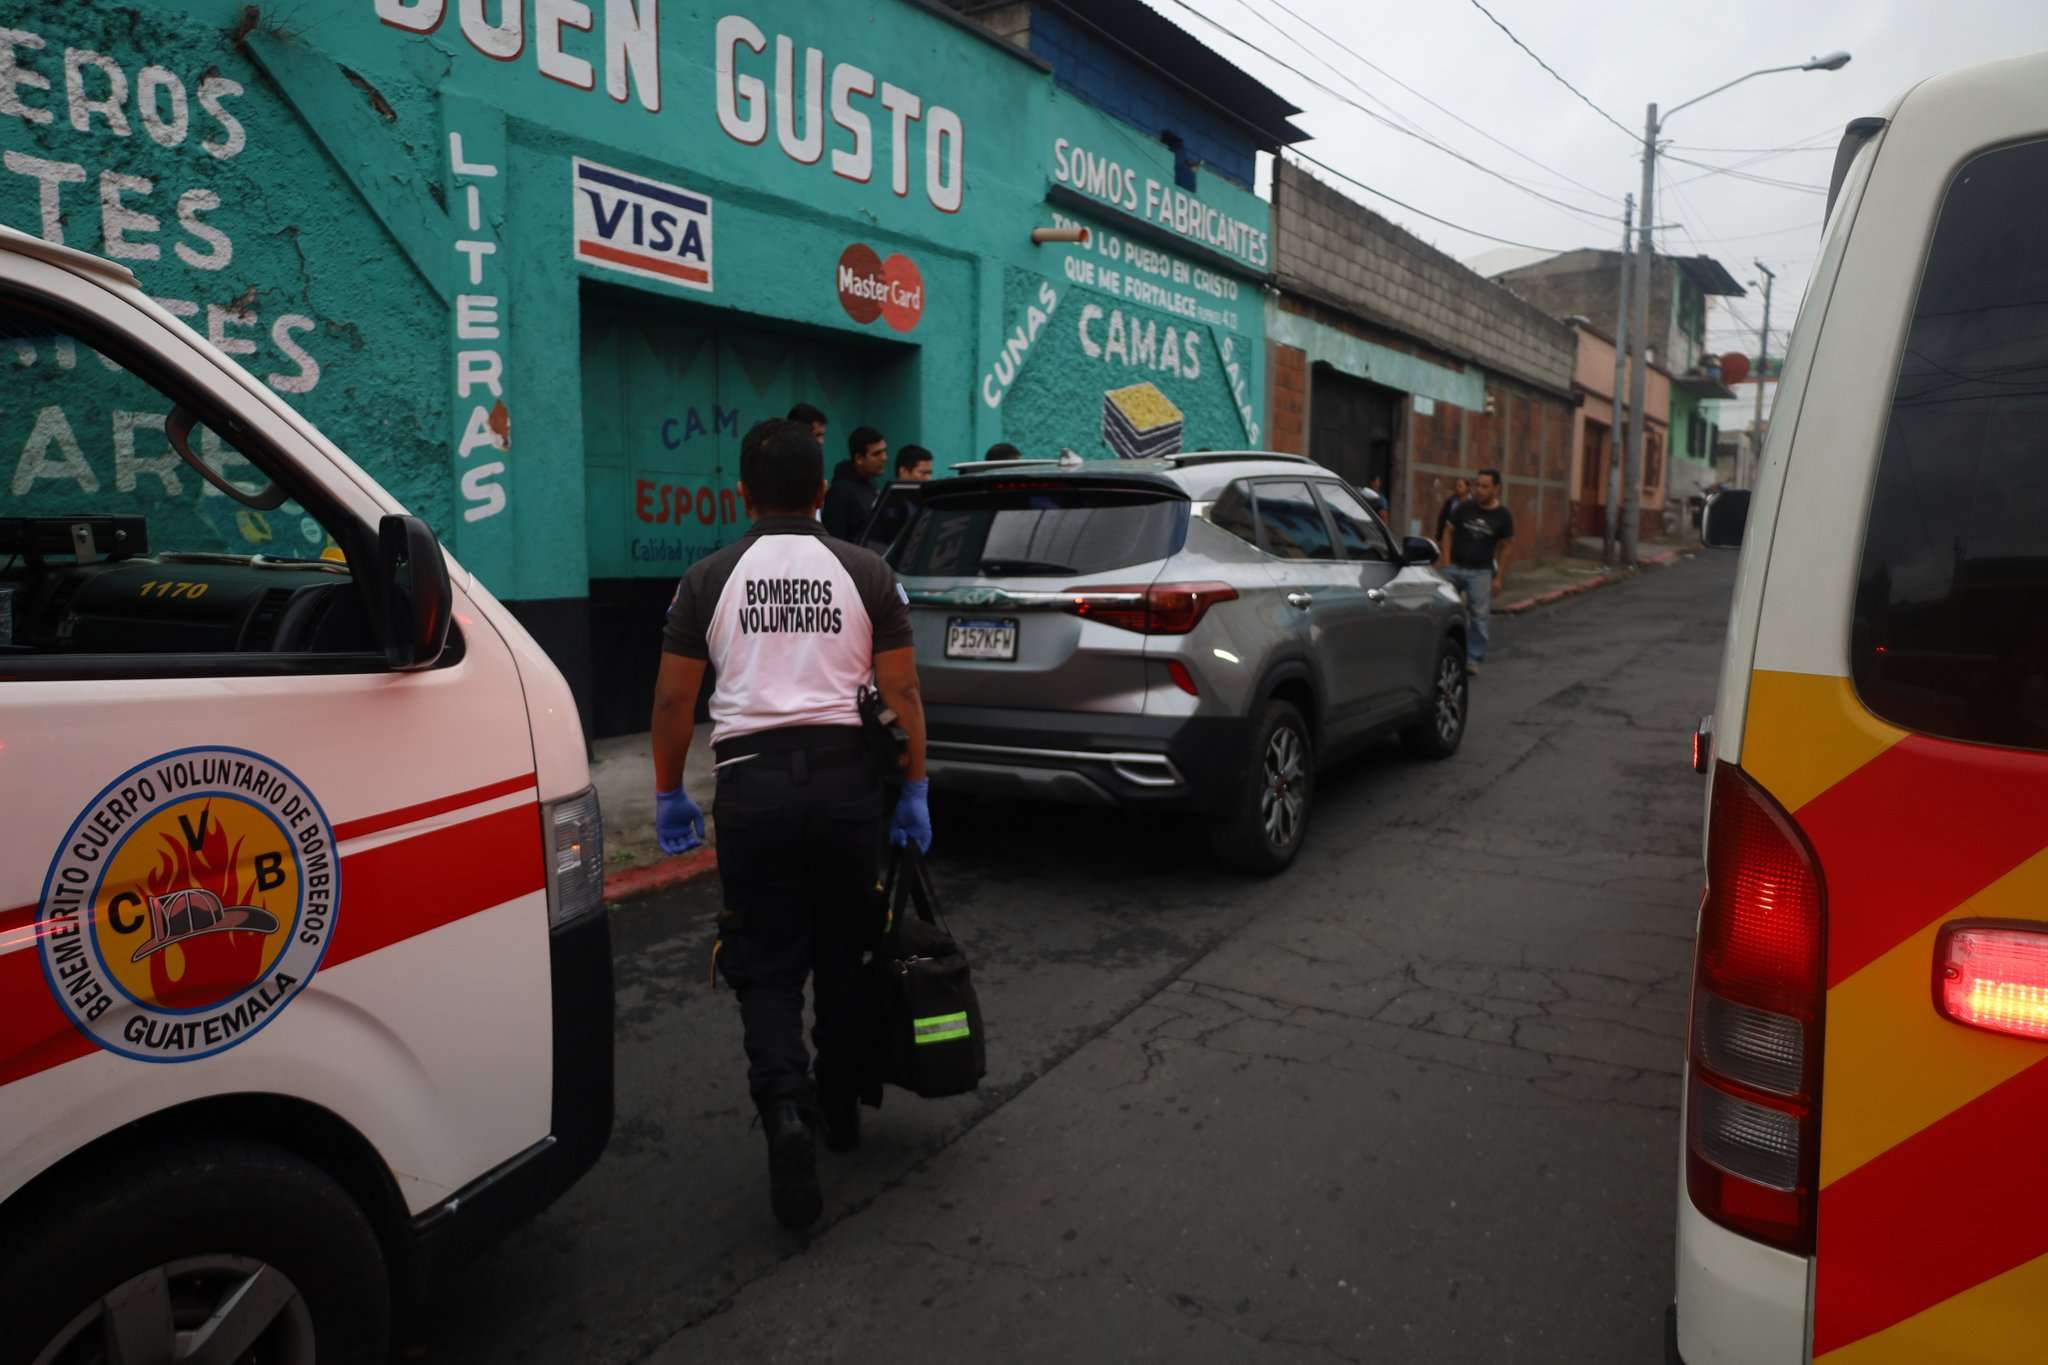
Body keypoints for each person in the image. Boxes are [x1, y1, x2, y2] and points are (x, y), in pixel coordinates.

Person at [650, 418, 931, 1230]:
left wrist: (669, 790)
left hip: (751, 789)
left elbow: (674, 700)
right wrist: (914, 790)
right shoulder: (868, 572)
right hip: (847, 788)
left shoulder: (706, 579)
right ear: (820, 493)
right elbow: (904, 696)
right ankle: (840, 1104)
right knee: (846, 951)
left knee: (766, 962)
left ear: (741, 494)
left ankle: (786, 1108)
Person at [1437, 468, 1513, 675]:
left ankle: (1472, 659)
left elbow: (1506, 546)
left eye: (1485, 486)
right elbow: (1447, 532)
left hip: (1481, 572)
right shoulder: (1464, 508)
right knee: (1442, 609)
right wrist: (1446, 562)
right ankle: (1440, 652)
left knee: (1479, 617)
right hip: (1454, 568)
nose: (1479, 490)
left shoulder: (1503, 516)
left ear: (1496, 489)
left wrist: (1499, 577)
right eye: (1477, 485)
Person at [820, 426, 887, 539]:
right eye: (877, 454)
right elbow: (835, 539)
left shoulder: (872, 485)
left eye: (884, 451)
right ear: (859, 458)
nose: (884, 458)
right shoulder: (840, 493)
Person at [1435, 476, 1472, 546]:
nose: (1457, 488)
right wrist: (1439, 537)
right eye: (1456, 486)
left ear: (1467, 488)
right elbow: (1442, 518)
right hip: (1450, 538)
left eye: (1460, 486)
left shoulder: (1473, 503)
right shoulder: (1450, 501)